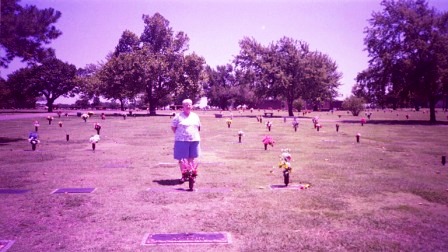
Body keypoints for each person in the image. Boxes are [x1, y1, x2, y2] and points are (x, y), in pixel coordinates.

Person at [171, 99, 201, 182]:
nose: (188, 106)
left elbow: (198, 127)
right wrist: (181, 135)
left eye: (190, 105)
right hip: (181, 140)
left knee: (191, 158)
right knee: (182, 159)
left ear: (192, 106)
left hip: (194, 140)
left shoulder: (195, 116)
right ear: (183, 106)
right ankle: (184, 176)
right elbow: (173, 127)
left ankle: (191, 176)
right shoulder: (178, 116)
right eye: (186, 105)